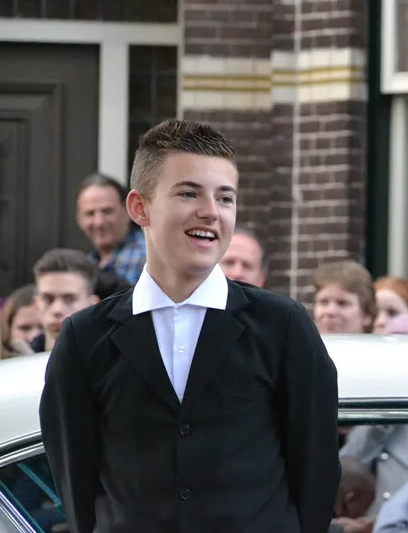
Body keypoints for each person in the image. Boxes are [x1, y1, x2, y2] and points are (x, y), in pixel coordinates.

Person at [39, 119, 340, 533]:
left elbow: (316, 472)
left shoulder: (283, 326)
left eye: (225, 198)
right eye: (188, 193)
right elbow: (76, 481)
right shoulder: (84, 338)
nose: (211, 212)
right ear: (139, 208)